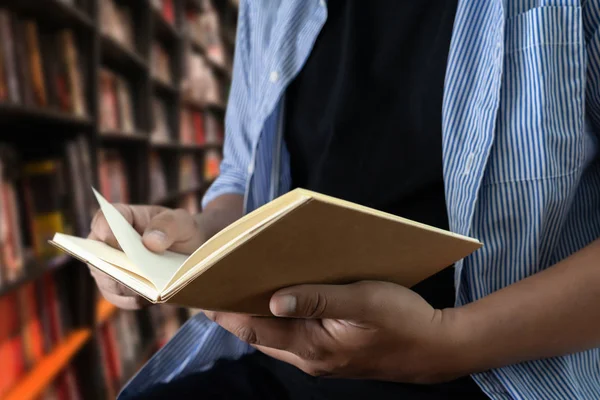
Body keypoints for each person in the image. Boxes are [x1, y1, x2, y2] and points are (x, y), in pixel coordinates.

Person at [89, 1, 600, 398]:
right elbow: (242, 175)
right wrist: (197, 238)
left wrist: (450, 343)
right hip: (279, 366)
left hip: (504, 379)